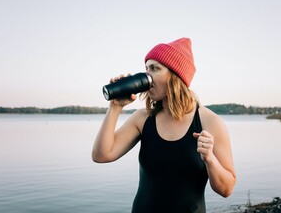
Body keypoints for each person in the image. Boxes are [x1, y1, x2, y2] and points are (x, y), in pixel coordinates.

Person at [92, 37, 236, 213]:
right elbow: (101, 155)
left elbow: (226, 189)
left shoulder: (210, 122)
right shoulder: (143, 118)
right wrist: (115, 107)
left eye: (154, 68)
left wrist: (210, 160)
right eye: (146, 68)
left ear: (176, 76)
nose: (147, 76)